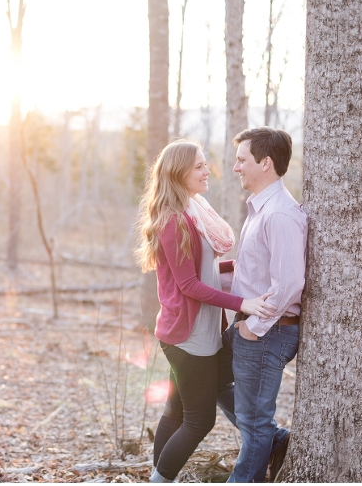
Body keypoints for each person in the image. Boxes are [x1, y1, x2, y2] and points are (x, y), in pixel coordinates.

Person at [135, 139, 276, 483]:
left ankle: (158, 477)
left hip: (187, 332)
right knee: (200, 420)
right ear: (179, 173)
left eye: (204, 163)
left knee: (175, 411)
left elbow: (203, 270)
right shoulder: (175, 221)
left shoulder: (193, 210)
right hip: (188, 337)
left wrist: (241, 268)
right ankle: (161, 478)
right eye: (198, 166)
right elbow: (190, 287)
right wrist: (243, 303)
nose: (206, 170)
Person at [221, 127, 308, 482]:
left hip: (267, 332)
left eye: (242, 160)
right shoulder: (261, 209)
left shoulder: (279, 215)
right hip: (249, 329)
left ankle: (262, 446)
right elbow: (257, 269)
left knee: (254, 426)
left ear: (265, 163)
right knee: (206, 380)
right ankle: (276, 440)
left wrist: (253, 328)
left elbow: (288, 284)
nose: (236, 167)